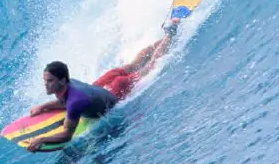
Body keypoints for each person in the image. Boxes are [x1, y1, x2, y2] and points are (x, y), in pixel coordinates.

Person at [24, 18, 181, 152]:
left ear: (62, 80)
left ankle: (170, 33)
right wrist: (43, 107)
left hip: (114, 91)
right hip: (100, 85)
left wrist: (41, 139)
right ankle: (164, 36)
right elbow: (63, 101)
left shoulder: (74, 101)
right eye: (45, 80)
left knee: (148, 68)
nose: (46, 85)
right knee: (133, 65)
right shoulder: (69, 83)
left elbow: (67, 134)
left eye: (50, 81)